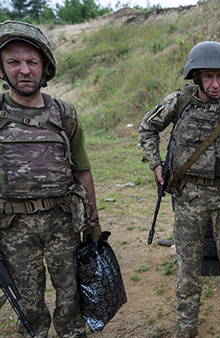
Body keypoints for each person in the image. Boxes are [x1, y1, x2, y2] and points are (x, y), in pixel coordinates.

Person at [138, 41, 220, 338]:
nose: (215, 84)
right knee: (188, 270)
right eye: (208, 76)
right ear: (196, 77)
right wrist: (155, 163)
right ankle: (186, 325)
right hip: (188, 201)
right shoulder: (180, 102)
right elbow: (147, 128)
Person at [0, 21, 101, 337]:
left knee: (71, 301)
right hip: (12, 228)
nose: (24, 70)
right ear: (2, 70)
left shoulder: (64, 114)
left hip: (62, 223)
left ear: (44, 66)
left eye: (32, 62)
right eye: (14, 62)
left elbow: (82, 170)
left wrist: (93, 222)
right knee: (30, 308)